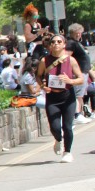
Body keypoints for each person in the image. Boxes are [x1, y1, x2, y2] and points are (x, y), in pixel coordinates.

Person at [37, 33, 84, 163]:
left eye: (59, 42)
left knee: (67, 127)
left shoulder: (71, 60)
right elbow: (38, 75)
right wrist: (43, 86)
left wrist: (70, 81)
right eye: (53, 42)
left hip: (68, 96)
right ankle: (58, 139)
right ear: (50, 46)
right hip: (52, 97)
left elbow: (81, 78)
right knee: (55, 127)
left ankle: (67, 152)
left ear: (64, 45)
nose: (56, 44)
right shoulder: (44, 61)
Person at [66, 23, 92, 122]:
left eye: (79, 33)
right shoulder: (71, 43)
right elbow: (66, 57)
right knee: (78, 95)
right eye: (75, 33)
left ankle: (79, 113)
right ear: (71, 33)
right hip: (78, 72)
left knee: (80, 94)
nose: (78, 35)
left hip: (83, 71)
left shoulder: (76, 42)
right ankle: (77, 114)